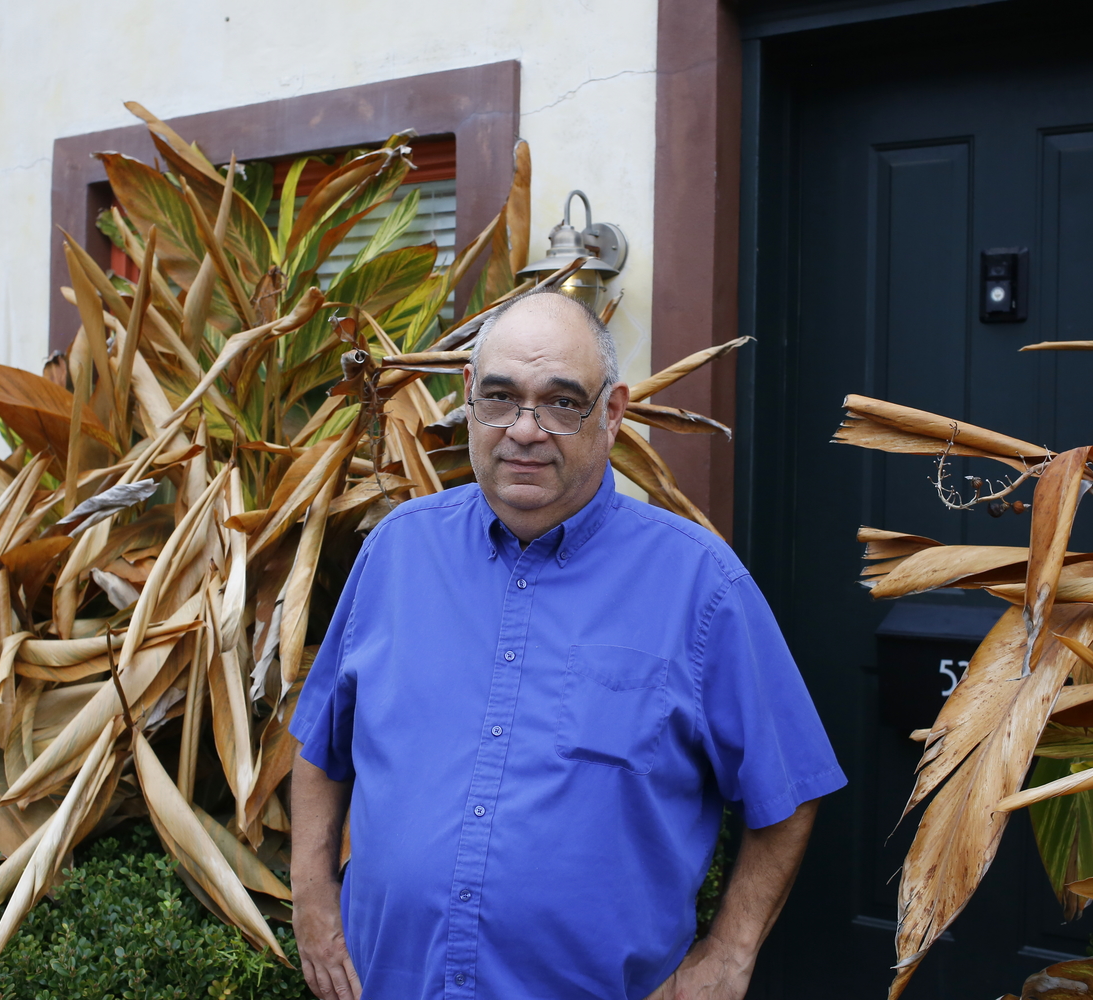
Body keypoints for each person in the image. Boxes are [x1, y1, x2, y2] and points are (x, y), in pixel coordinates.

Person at [287, 290, 845, 1000]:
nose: (524, 429)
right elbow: (320, 746)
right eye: (500, 397)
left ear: (611, 413)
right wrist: (312, 903)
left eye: (561, 403)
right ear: (468, 400)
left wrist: (730, 953)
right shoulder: (398, 550)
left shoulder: (700, 587)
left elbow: (790, 788)